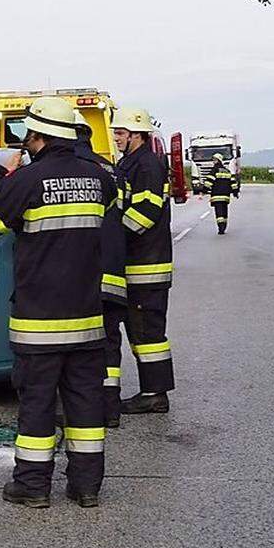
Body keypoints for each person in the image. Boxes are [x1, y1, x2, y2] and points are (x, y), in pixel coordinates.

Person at [0, 97, 115, 508]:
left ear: (36, 137)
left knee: (37, 403)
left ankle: (33, 485)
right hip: (88, 317)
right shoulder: (99, 177)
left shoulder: (28, 179)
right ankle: (87, 486)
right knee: (85, 403)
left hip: (39, 321)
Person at [111, 108, 175, 414]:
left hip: (145, 267)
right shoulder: (132, 162)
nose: (116, 138)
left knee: (148, 333)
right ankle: (153, 392)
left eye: (120, 133)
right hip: (138, 264)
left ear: (136, 134)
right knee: (140, 331)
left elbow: (145, 213)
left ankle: (154, 394)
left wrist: (113, 240)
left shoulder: (147, 165)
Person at [73, 112, 126, 427]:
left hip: (81, 278)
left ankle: (82, 410)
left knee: (78, 345)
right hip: (114, 275)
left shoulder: (63, 172)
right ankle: (111, 410)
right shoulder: (110, 171)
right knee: (109, 341)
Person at [203, 154, 238, 234]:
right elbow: (233, 183)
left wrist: (205, 190)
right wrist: (235, 192)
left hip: (216, 196)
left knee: (219, 212)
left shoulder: (214, 170)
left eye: (214, 160)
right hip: (226, 196)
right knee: (224, 211)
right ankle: (224, 226)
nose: (213, 161)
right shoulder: (227, 171)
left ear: (218, 160)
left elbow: (209, 182)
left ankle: (221, 227)